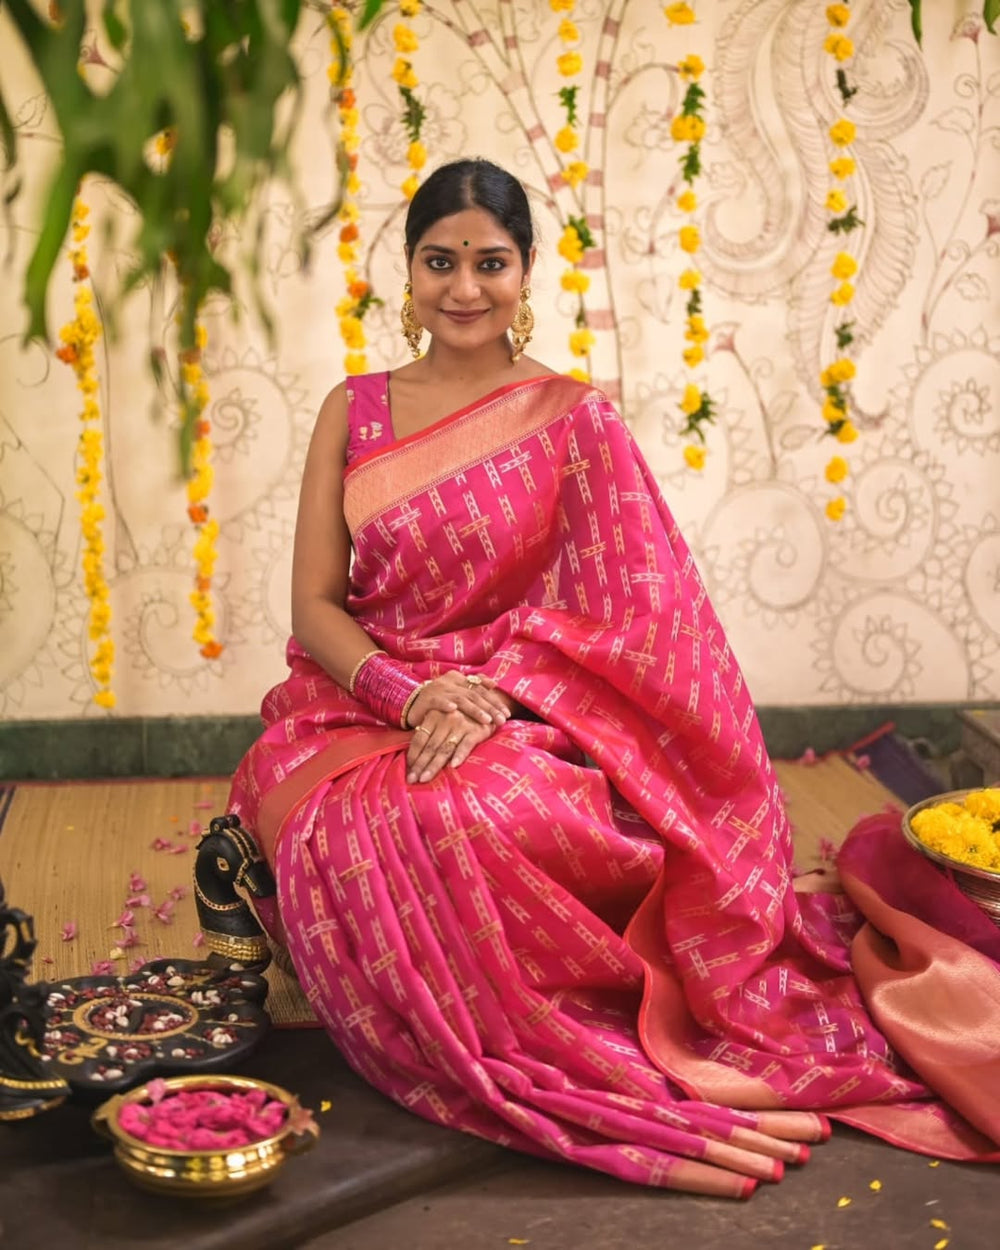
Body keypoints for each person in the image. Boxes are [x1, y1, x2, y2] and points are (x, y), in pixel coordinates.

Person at [227, 158, 1000, 1197]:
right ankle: (489, 1030)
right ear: (404, 274)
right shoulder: (353, 409)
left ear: (525, 270)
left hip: (522, 707)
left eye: (488, 262)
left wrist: (488, 691)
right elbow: (314, 603)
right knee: (374, 816)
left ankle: (585, 1032)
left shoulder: (567, 418)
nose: (464, 286)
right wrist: (406, 694)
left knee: (480, 806)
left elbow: (638, 611)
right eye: (438, 261)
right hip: (358, 700)